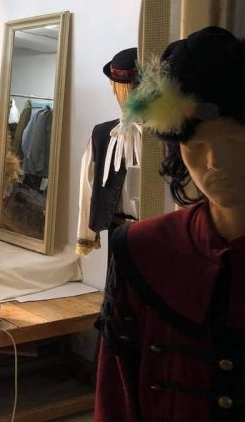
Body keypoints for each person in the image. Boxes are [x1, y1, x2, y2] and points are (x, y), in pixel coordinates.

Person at [95, 26, 245, 421]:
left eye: (236, 142)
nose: (216, 163)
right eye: (197, 146)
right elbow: (116, 394)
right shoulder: (143, 249)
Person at [75, 47, 141, 255]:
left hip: (159, 230)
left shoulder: (163, 136)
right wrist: (85, 235)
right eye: (122, 90)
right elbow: (88, 186)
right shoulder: (103, 133)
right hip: (117, 230)